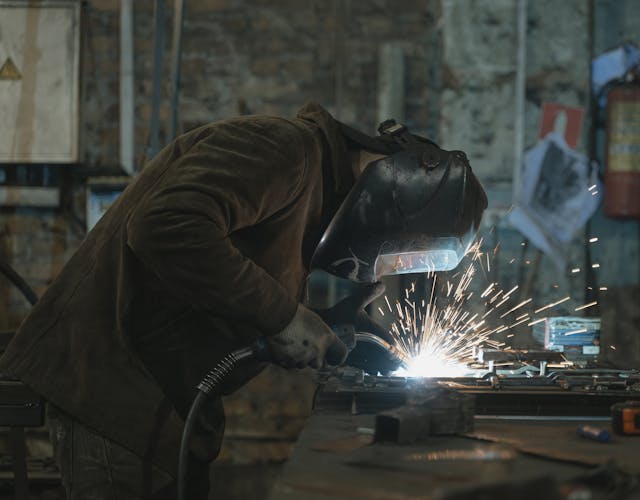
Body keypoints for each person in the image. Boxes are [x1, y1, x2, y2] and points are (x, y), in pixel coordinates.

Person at [0, 102, 487, 499]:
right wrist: (282, 315)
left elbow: (229, 286)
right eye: (399, 251)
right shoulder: (282, 150)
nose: (381, 265)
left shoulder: (314, 198)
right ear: (398, 188)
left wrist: (324, 323)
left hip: (165, 405)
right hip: (113, 388)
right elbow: (164, 225)